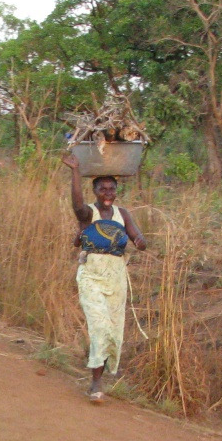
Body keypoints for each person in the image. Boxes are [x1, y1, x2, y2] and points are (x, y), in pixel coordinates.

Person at [61, 154, 146, 401]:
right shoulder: (89, 213)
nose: (107, 193)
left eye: (111, 189)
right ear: (95, 191)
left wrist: (140, 242)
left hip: (116, 274)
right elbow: (76, 206)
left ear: (116, 191)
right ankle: (96, 382)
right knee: (100, 326)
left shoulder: (123, 214)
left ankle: (101, 373)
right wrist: (75, 171)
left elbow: (137, 237)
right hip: (92, 273)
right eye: (102, 189)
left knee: (114, 330)